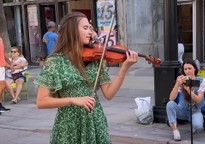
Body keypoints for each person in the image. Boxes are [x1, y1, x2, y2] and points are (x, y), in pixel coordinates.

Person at [34, 12, 138, 144]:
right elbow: (41, 101)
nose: (90, 32)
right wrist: (73, 100)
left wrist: (125, 67)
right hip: (69, 125)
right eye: (85, 28)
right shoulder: (55, 61)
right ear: (71, 31)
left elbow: (109, 94)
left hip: (95, 121)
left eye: (90, 27)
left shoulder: (96, 60)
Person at [166, 59, 205, 141]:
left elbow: (198, 100)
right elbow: (171, 98)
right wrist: (177, 85)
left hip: (195, 110)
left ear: (194, 68)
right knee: (170, 104)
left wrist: (188, 89)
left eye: (190, 68)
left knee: (198, 126)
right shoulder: (182, 79)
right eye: (185, 69)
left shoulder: (202, 80)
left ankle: (194, 125)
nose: (187, 71)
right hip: (182, 109)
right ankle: (175, 131)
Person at [0, 37, 11, 112]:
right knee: (2, 84)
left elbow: (3, 53)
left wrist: (9, 64)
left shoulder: (0, 39)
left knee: (2, 85)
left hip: (1, 65)